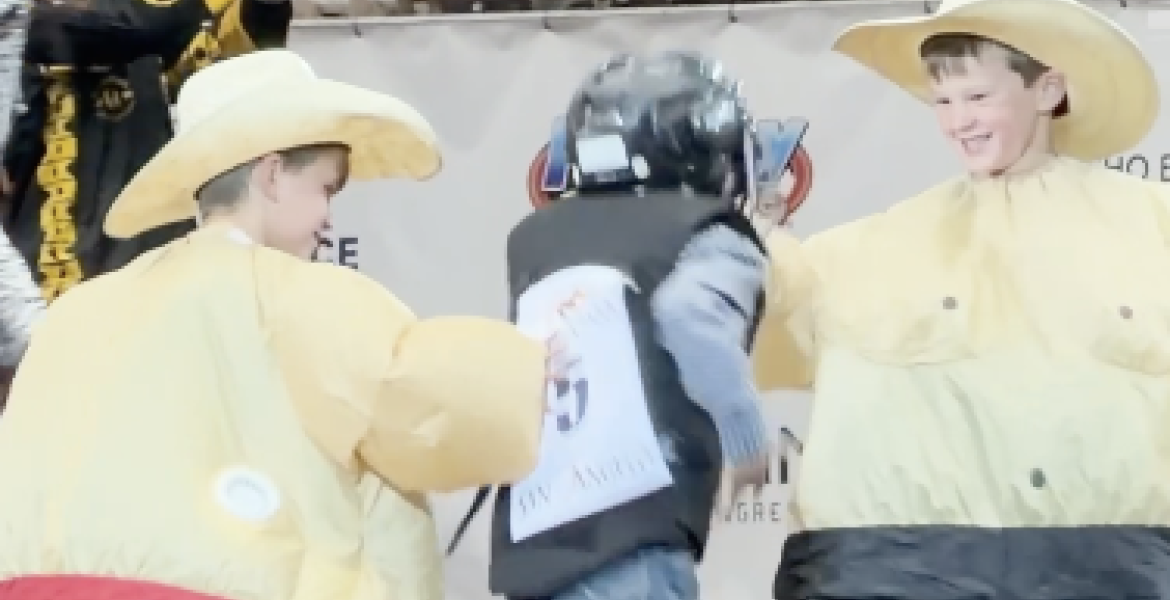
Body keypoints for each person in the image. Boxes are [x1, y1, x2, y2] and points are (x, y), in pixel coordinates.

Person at [0, 49, 546, 600]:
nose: (329, 216)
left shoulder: (81, 308)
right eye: (326, 188)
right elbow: (418, 391)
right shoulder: (297, 296)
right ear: (272, 173)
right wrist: (537, 365)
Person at [753, 0, 1170, 598]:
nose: (957, 121)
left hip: (1112, 570)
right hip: (885, 570)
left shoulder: (1155, 227)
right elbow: (753, 303)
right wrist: (732, 231)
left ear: (1048, 90)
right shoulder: (864, 249)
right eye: (943, 102)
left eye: (978, 97)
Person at [487, 52, 776, 600]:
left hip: (536, 537)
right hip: (632, 536)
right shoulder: (708, 234)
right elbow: (689, 314)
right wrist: (747, 440)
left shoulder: (534, 239)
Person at [3, 0, 293, 304]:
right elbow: (127, 27)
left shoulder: (155, 36)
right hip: (43, 266)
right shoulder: (21, 19)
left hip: (147, 260)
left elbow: (238, 61)